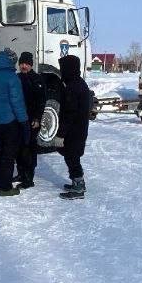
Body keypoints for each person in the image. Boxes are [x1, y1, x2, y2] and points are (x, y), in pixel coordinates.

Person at [0, 49, 27, 196]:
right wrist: (23, 122)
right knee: (9, 155)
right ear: (11, 61)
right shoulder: (12, 78)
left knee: (1, 151)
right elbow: (17, 103)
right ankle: (4, 187)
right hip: (11, 121)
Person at [54, 54, 94, 200]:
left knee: (72, 157)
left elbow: (69, 114)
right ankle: (76, 182)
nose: (61, 71)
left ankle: (78, 186)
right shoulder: (79, 83)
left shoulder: (73, 87)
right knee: (72, 156)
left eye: (63, 68)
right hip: (79, 129)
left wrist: (61, 134)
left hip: (74, 130)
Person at [15, 51, 46, 188]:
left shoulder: (37, 79)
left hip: (32, 120)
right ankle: (21, 173)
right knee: (19, 147)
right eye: (22, 63)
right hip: (19, 119)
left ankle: (29, 178)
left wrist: (37, 118)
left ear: (31, 65)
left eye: (26, 64)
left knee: (29, 148)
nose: (24, 66)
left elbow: (41, 101)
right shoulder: (16, 78)